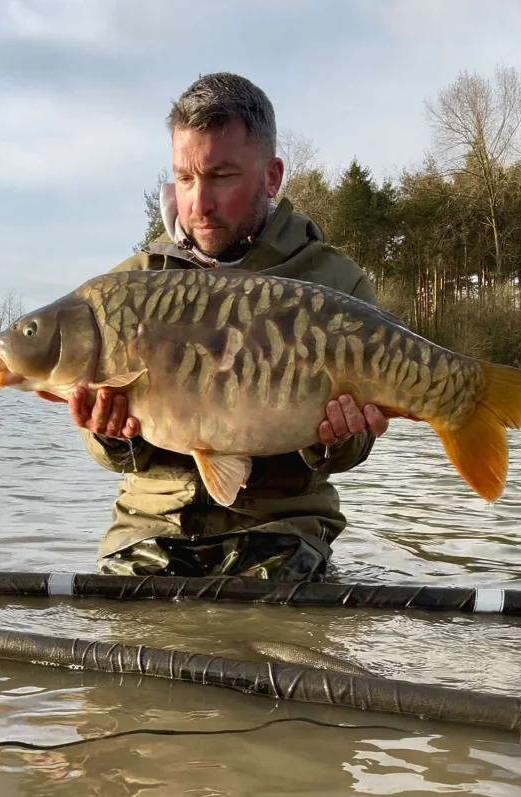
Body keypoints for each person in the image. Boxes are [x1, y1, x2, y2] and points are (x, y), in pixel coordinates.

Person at [64, 72, 389, 581]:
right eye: (185, 178)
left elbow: (352, 449)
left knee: (276, 632)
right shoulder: (127, 288)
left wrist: (334, 439)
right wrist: (110, 434)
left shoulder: (334, 283)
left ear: (272, 177)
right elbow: (119, 457)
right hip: (153, 527)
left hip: (282, 528)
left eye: (221, 176)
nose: (199, 203)